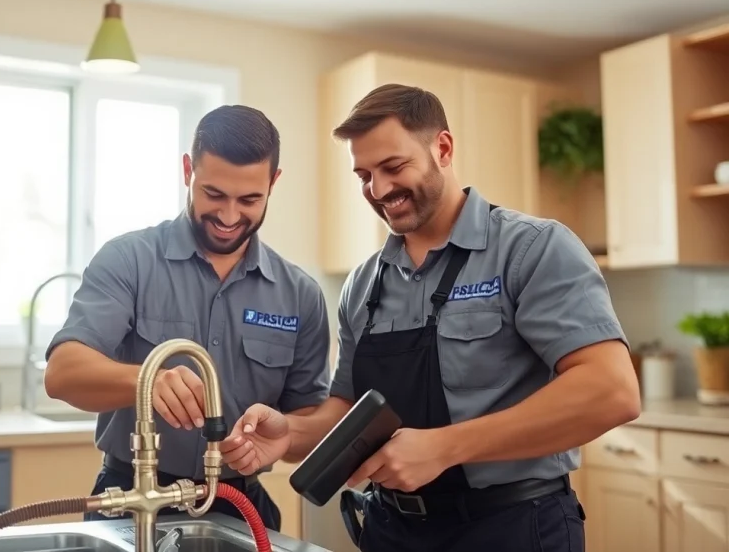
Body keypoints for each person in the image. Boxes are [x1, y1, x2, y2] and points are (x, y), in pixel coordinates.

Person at [219, 84, 641, 551]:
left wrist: (445, 446)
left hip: (514, 527)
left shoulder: (532, 249)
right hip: (389, 530)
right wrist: (291, 434)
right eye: (363, 175)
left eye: (393, 167)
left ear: (442, 148)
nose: (378, 190)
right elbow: (347, 409)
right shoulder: (362, 286)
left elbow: (612, 392)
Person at [43, 104, 331, 531]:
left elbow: (310, 427)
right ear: (186, 170)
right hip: (132, 498)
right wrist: (148, 380)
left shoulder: (301, 295)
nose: (230, 217)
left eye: (250, 199)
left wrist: (284, 432)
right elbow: (62, 374)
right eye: (214, 194)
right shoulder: (129, 260)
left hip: (241, 505)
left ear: (274, 183)